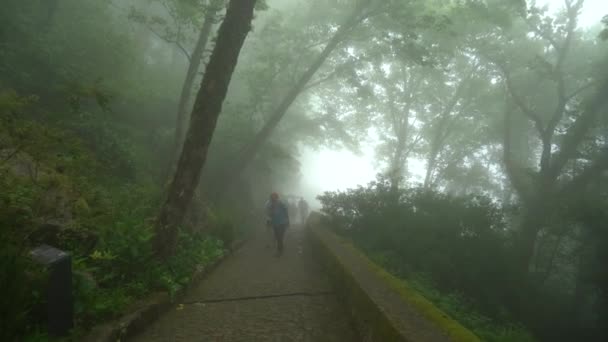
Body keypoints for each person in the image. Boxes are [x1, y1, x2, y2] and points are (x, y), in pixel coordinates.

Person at [265, 192, 290, 256]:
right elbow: (268, 213)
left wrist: (287, 221)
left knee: (280, 236)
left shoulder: (281, 203)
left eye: (275, 197)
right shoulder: (270, 205)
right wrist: (268, 220)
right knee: (277, 236)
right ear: (271, 198)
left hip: (282, 223)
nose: (273, 198)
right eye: (272, 197)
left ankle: (279, 251)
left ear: (277, 197)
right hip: (275, 223)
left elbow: (286, 211)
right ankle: (280, 248)